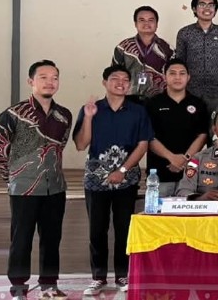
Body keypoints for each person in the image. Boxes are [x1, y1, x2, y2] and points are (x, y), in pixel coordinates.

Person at [0, 60, 73, 300]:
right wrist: (13, 179)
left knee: (51, 238)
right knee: (21, 239)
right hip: (23, 188)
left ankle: (49, 284)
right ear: (31, 81)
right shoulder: (12, 115)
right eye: (43, 77)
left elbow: (60, 146)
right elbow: (0, 150)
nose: (50, 82)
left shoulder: (64, 115)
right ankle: (18, 287)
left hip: (55, 187)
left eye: (54, 78)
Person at [72, 65, 153, 295]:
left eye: (125, 79)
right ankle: (98, 277)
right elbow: (81, 144)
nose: (120, 83)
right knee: (97, 229)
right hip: (96, 180)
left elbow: (143, 144)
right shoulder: (91, 109)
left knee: (124, 227)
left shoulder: (138, 111)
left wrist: (123, 170)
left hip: (126, 180)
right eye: (115, 78)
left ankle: (122, 274)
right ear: (104, 83)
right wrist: (88, 118)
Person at [145, 59, 209, 197]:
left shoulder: (198, 103)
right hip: (159, 176)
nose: (177, 77)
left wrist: (186, 158)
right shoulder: (153, 103)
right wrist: (171, 157)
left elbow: (202, 135)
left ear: (188, 77)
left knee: (189, 210)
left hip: (190, 176)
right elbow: (149, 136)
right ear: (164, 76)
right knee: (158, 211)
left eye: (182, 73)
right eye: (172, 73)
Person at [174, 0, 218, 101]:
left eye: (211, 5)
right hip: (191, 89)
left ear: (215, 10)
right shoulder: (184, 33)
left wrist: (214, 71)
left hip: (216, 89)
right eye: (202, 4)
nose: (207, 8)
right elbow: (180, 61)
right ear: (194, 9)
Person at [112, 5, 174, 102]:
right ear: (135, 24)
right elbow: (114, 74)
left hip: (159, 99)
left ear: (157, 24)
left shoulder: (167, 48)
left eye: (151, 20)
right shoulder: (123, 47)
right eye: (142, 20)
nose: (146, 23)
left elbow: (173, 75)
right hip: (128, 99)